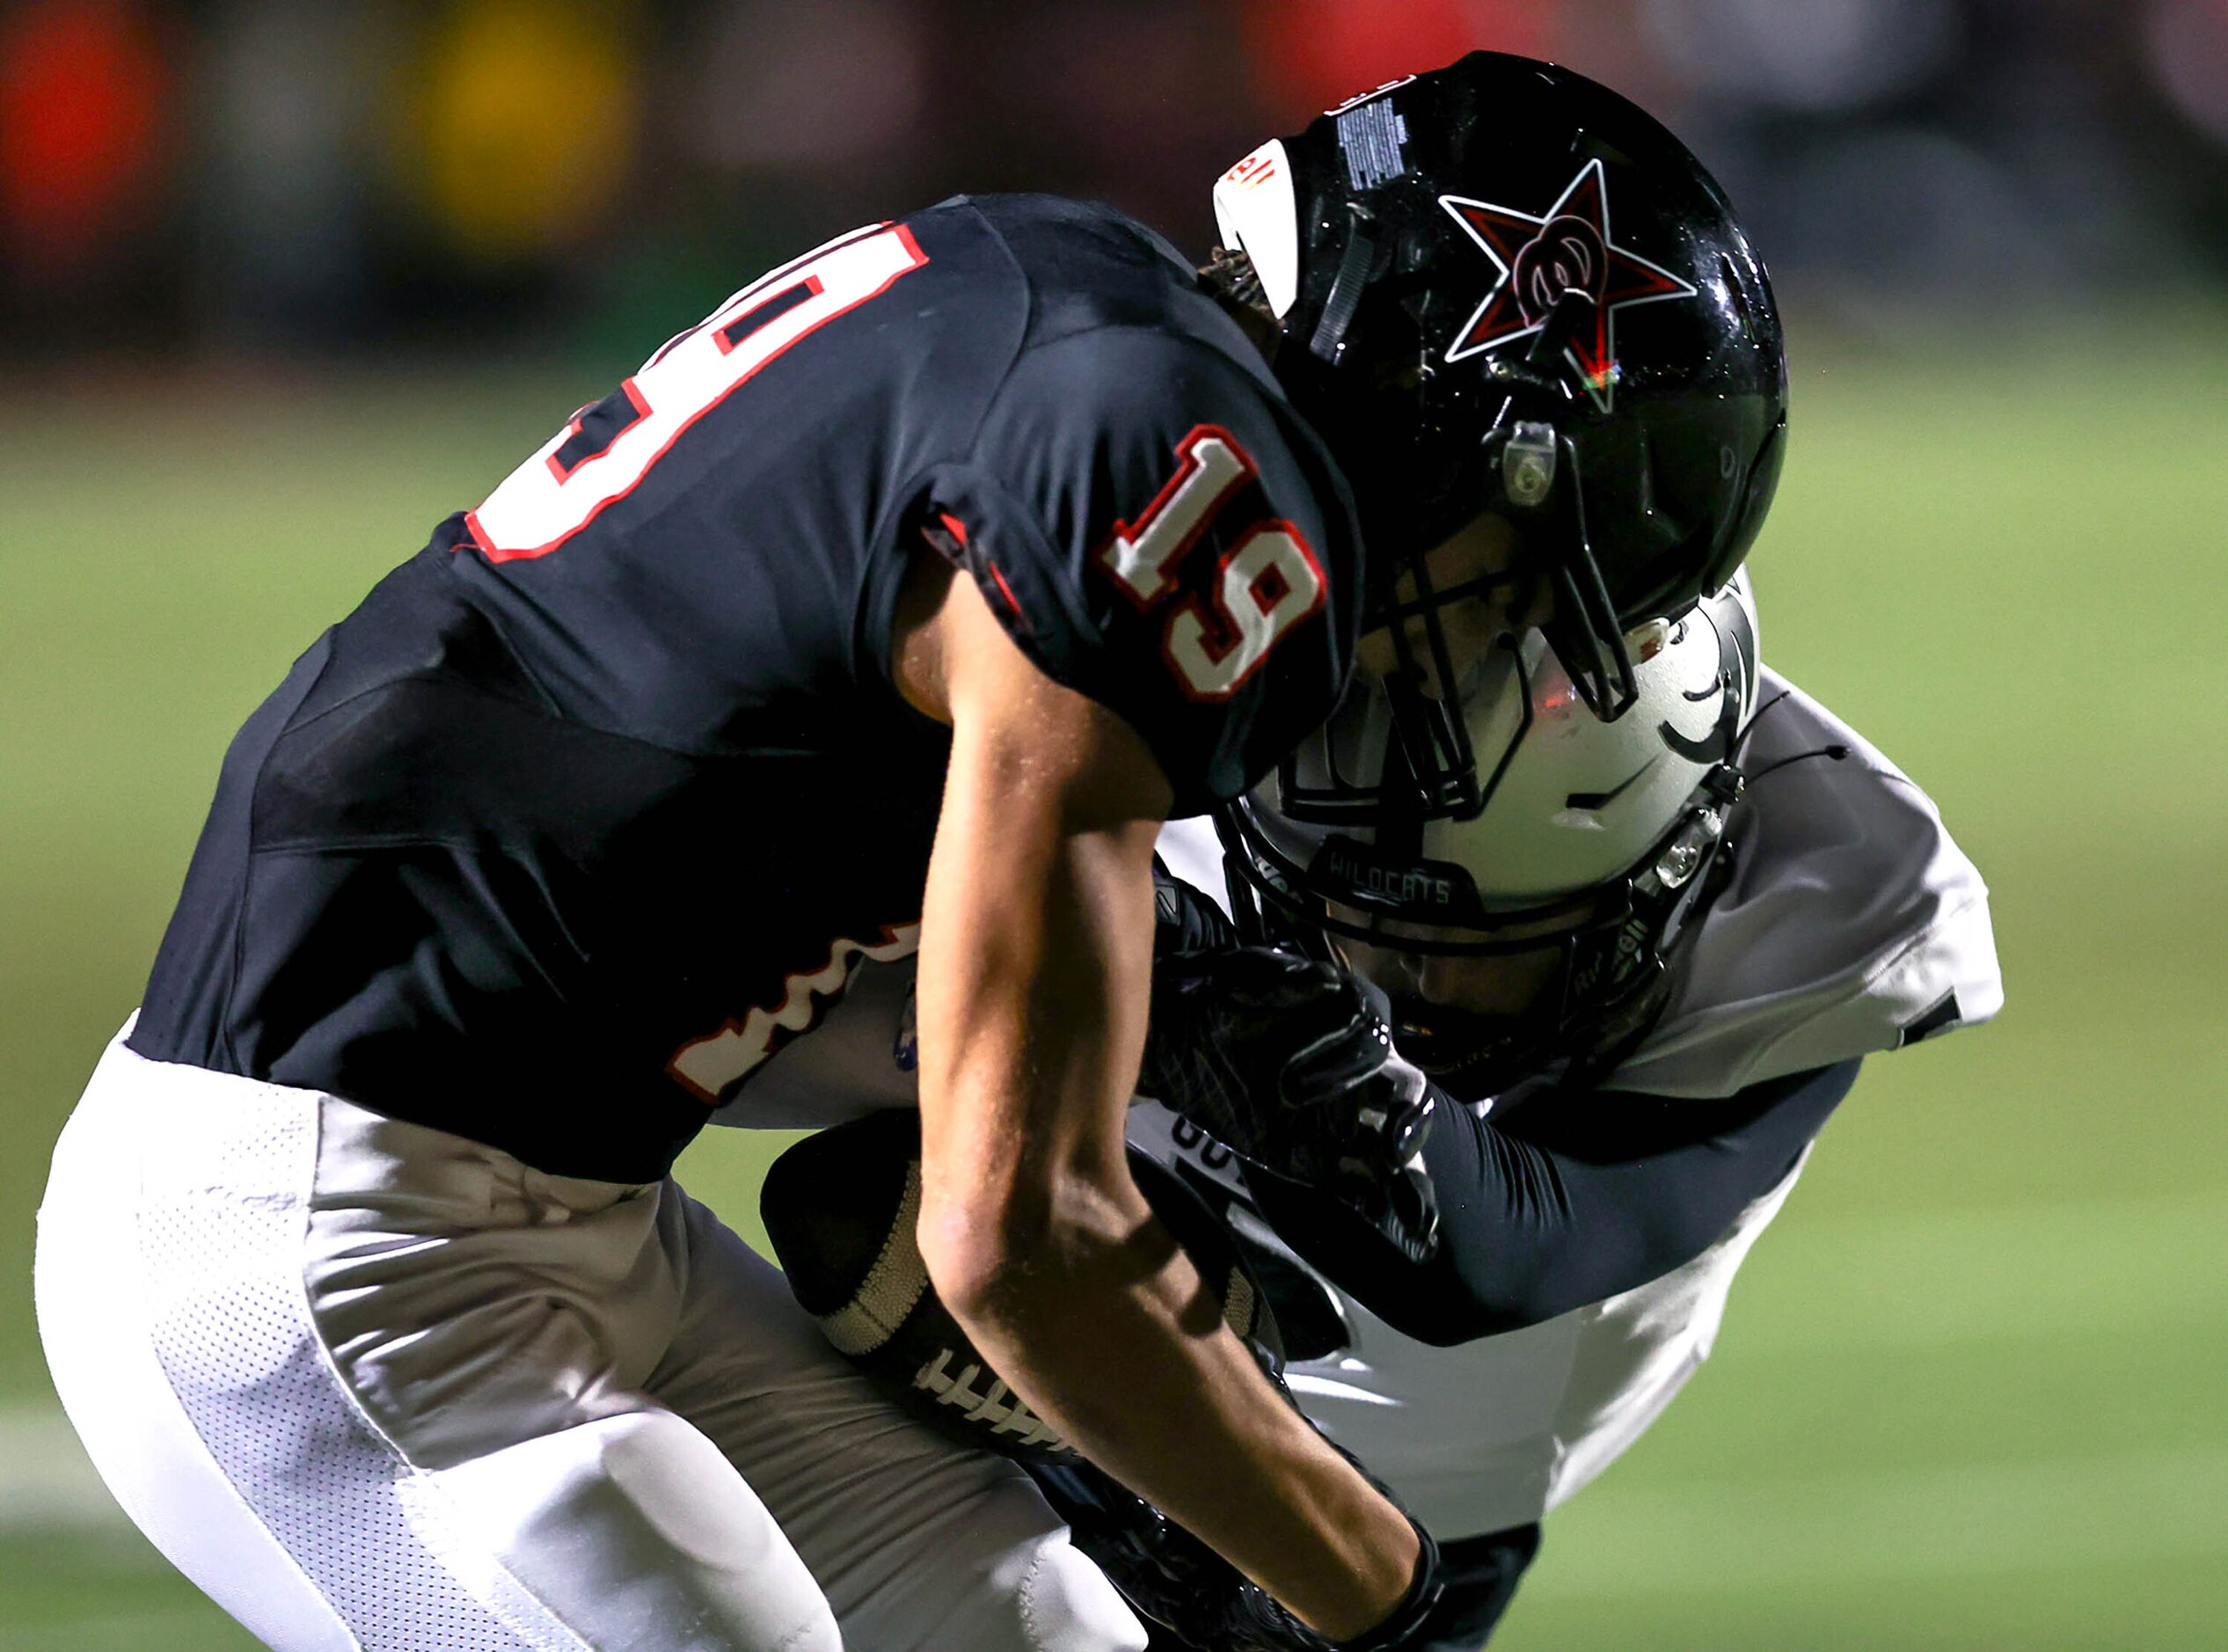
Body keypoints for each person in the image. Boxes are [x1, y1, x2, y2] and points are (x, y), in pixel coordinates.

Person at [34, 53, 1785, 1652]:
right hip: (325, 1265)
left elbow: (634, 912)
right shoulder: (1186, 482)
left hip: (536, 1201)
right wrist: (1373, 1587)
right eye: (1514, 562)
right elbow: (1017, 1239)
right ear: (1454, 409)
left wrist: (1157, 1017)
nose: (1480, 651)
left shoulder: (1061, 290)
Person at [1121, 569, 2003, 1647]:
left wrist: (1176, 969)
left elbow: (1488, 1258)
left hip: (1377, 1501)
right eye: (1359, 925)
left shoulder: (1818, 911)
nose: (1413, 1001)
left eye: (1482, 952)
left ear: (1678, 867)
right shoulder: (1223, 676)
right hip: (1041, 1347)